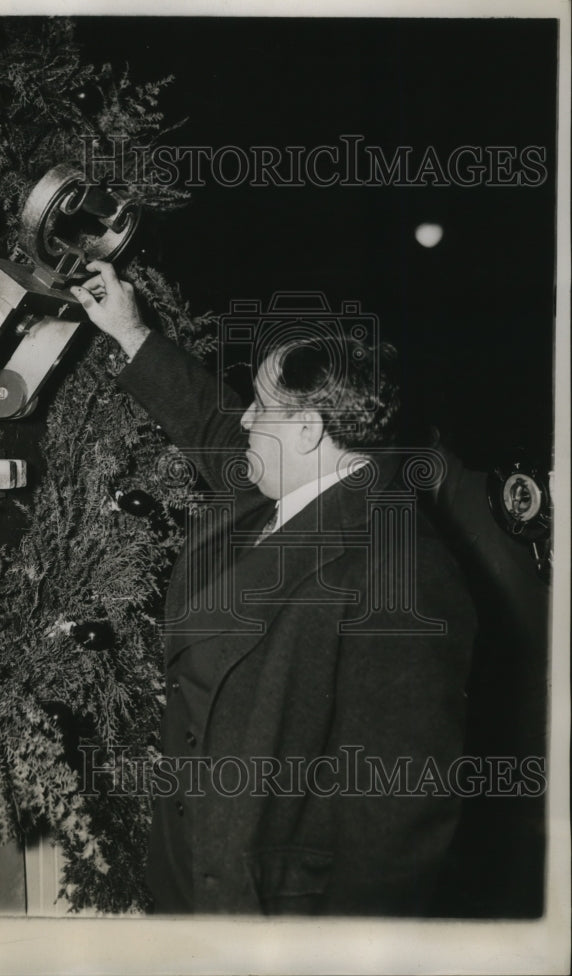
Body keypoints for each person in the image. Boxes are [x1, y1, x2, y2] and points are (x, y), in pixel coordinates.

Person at [71, 261, 476, 916]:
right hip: (188, 878)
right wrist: (130, 328)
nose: (246, 418)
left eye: (259, 404)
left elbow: (394, 824)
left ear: (309, 429)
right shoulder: (281, 487)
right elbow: (209, 422)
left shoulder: (402, 575)